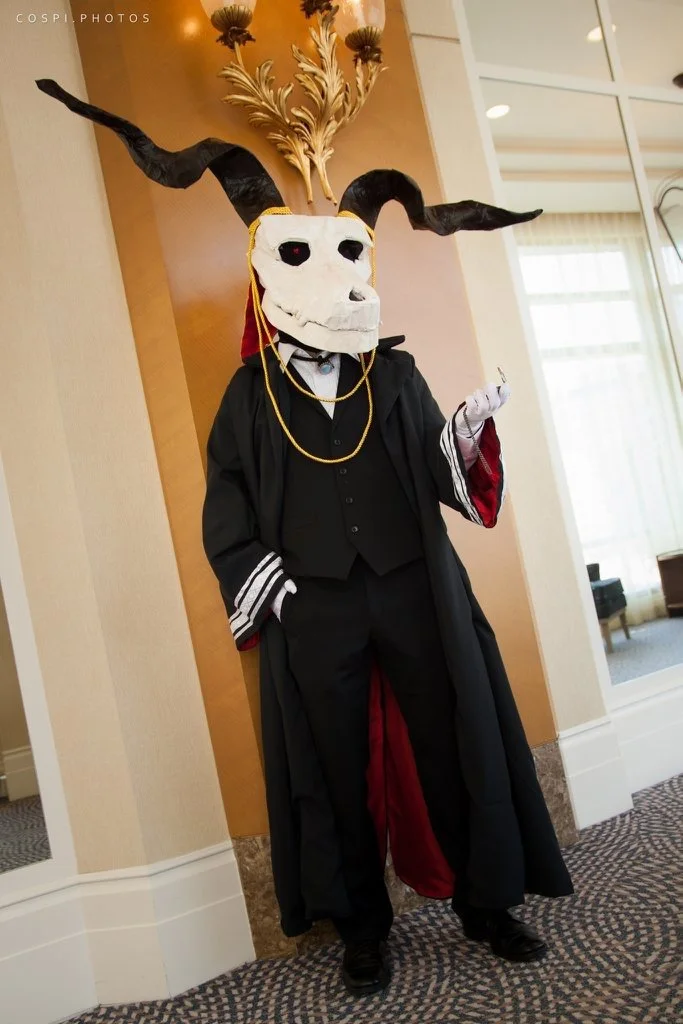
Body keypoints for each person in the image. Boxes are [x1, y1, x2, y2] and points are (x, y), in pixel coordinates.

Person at [37, 80, 574, 998]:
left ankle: (484, 905)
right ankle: (361, 928)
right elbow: (226, 503)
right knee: (334, 769)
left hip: (412, 587)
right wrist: (266, 582)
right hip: (313, 603)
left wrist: (466, 432)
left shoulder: (393, 375)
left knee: (449, 743)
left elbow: (438, 472)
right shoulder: (249, 396)